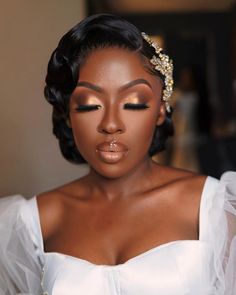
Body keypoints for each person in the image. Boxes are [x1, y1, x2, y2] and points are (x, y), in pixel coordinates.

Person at [0, 13, 235, 295]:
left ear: (161, 109)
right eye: (89, 104)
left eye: (134, 103)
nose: (111, 124)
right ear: (67, 115)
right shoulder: (30, 223)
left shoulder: (214, 208)